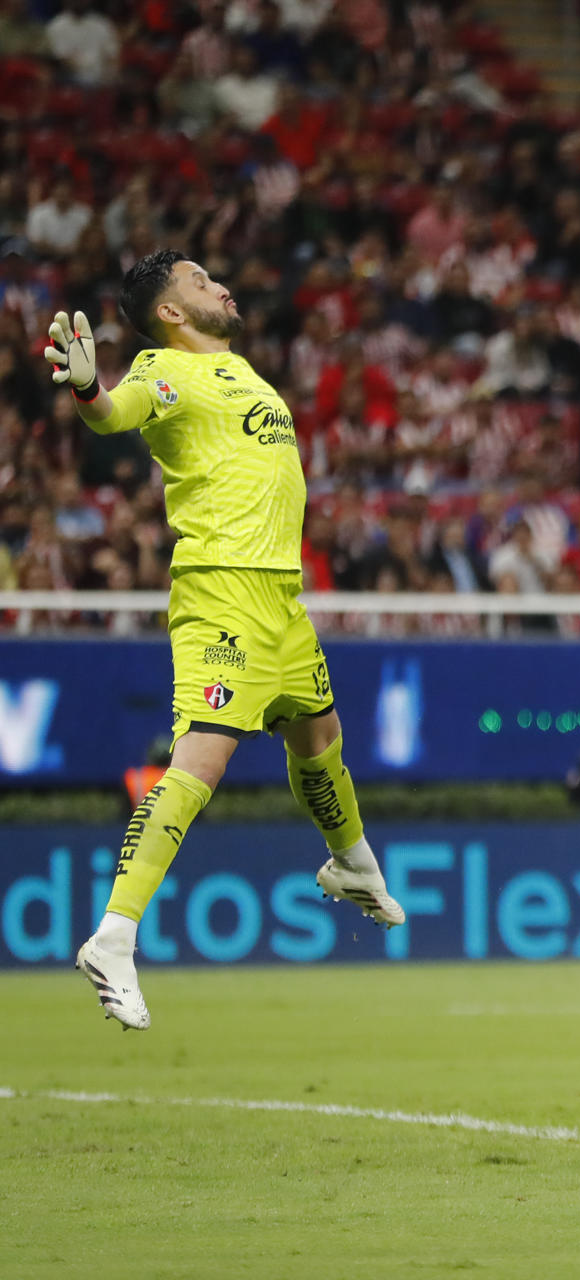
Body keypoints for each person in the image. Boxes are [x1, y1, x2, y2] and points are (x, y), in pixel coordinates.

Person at [47, 253, 405, 1031]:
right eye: (202, 283)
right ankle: (114, 937)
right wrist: (87, 389)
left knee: (321, 736)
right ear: (172, 313)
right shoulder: (164, 370)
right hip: (223, 589)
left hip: (281, 595)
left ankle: (351, 864)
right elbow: (115, 412)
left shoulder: (241, 372)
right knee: (201, 761)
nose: (222, 287)